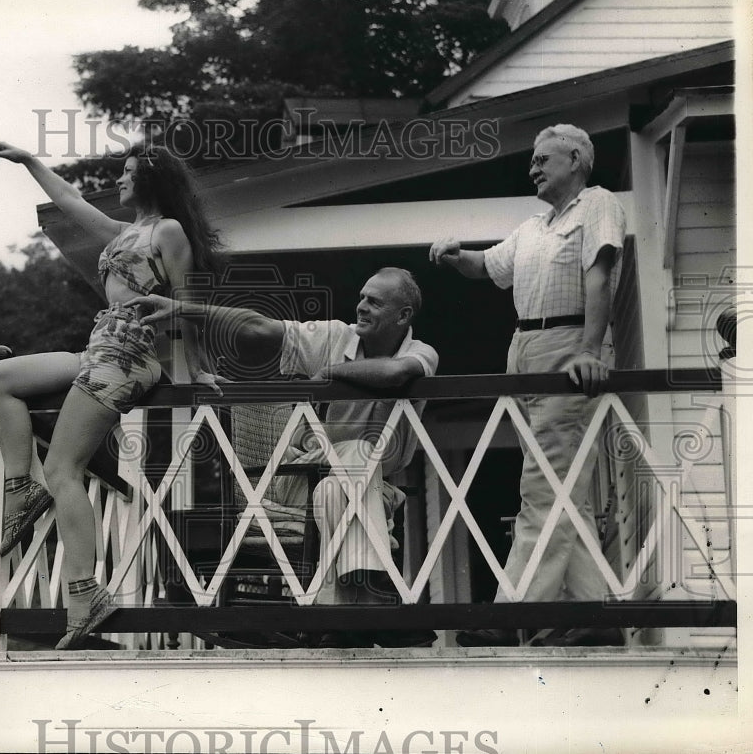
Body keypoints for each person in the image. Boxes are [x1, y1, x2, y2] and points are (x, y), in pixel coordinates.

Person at [0, 137, 224, 650]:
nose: (119, 179)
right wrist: (28, 162)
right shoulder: (123, 231)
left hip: (130, 357)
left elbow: (187, 303)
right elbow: (69, 198)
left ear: (151, 180)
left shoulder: (169, 231)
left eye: (129, 173)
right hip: (98, 349)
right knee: (1, 380)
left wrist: (194, 371)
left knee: (63, 468)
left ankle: (86, 591)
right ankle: (20, 488)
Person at [127, 267, 439, 647]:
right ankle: (373, 599)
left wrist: (330, 372)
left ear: (403, 315)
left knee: (341, 481)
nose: (361, 306)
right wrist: (182, 309)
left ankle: (341, 615)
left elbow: (395, 373)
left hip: (368, 490)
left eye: (374, 301)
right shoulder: (333, 335)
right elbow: (258, 326)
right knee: (356, 457)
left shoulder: (421, 353)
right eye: (361, 296)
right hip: (299, 481)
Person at [429, 124, 626, 647]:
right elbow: (487, 267)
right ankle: (594, 615)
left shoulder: (597, 203)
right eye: (532, 160)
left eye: (543, 159)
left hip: (567, 347)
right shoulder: (534, 226)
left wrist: (589, 349)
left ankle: (512, 611)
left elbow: (600, 275)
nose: (533, 167)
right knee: (566, 490)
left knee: (544, 487)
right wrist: (453, 255)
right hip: (525, 353)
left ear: (577, 160)